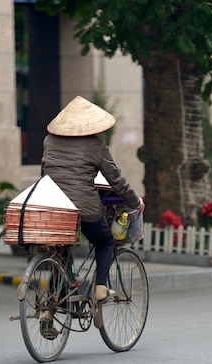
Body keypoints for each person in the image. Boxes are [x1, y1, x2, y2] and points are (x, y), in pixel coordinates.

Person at [41, 96, 145, 303]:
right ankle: (100, 289)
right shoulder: (96, 145)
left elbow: (46, 171)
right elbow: (115, 179)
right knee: (105, 241)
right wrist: (135, 202)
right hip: (84, 206)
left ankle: (48, 309)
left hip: (52, 204)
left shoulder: (49, 140)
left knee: (62, 251)